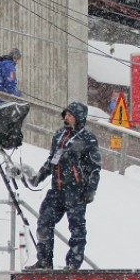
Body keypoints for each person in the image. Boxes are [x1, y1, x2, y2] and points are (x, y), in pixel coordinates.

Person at [27, 102, 101, 271]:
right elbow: (52, 159)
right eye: (65, 114)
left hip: (76, 192)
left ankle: (73, 264)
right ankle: (44, 262)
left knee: (76, 229)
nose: (66, 118)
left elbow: (94, 167)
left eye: (70, 115)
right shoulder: (59, 135)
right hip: (57, 190)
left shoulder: (88, 139)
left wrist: (91, 189)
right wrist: (39, 176)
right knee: (44, 222)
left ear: (79, 117)